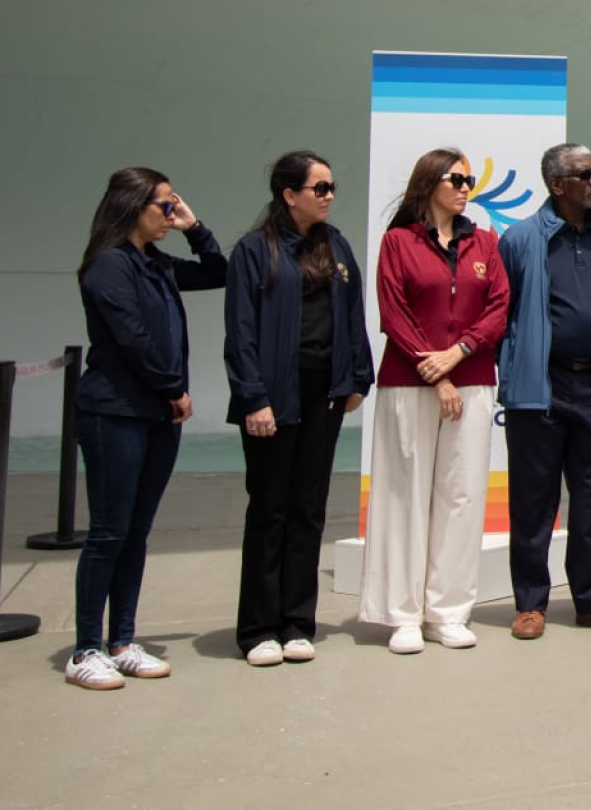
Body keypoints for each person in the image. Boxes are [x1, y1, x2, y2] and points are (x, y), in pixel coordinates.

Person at [67, 168, 226, 690]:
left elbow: (217, 271)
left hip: (157, 414)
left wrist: (194, 226)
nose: (169, 213)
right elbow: (132, 338)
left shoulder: (154, 263)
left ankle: (122, 640)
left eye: (172, 205)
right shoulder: (109, 266)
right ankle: (86, 646)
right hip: (116, 411)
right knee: (108, 531)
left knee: (136, 531)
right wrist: (172, 388)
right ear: (133, 206)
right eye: (163, 206)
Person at [224, 151, 374, 667]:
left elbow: (353, 315)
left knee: (308, 509)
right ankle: (258, 629)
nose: (329, 196)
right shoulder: (253, 250)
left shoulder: (336, 246)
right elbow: (240, 332)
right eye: (319, 188)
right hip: (273, 395)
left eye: (333, 187)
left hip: (323, 395)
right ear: (289, 195)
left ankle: (296, 623)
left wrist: (358, 377)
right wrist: (253, 397)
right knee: (270, 510)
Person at [361, 149, 509, 655]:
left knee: (462, 497)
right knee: (405, 494)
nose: (466, 186)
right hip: (409, 381)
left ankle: (447, 611)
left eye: (469, 179)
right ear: (429, 184)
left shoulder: (485, 242)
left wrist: (458, 353)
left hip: (471, 380)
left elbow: (498, 308)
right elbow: (393, 311)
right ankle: (402, 614)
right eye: (456, 178)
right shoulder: (398, 242)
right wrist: (435, 371)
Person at [497, 143, 591, 641]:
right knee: (533, 502)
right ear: (557, 185)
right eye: (584, 174)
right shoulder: (520, 239)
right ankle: (531, 604)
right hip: (541, 389)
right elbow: (506, 313)